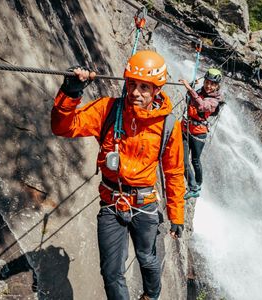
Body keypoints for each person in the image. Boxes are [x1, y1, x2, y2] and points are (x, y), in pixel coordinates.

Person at [51, 50, 185, 300]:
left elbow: (174, 172)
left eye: (145, 87)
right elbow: (63, 127)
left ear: (156, 90)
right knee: (111, 272)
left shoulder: (168, 125)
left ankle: (151, 295)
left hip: (145, 204)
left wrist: (177, 214)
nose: (136, 92)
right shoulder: (108, 110)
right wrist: (70, 93)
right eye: (132, 84)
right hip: (112, 203)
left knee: (147, 258)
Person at [179, 68, 223, 200]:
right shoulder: (200, 91)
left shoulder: (215, 101)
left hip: (198, 133)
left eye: (212, 84)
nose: (209, 86)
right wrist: (192, 86)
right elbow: (190, 98)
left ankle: (197, 185)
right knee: (183, 160)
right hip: (186, 129)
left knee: (195, 161)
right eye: (207, 82)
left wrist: (189, 88)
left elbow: (201, 106)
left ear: (217, 86)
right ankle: (193, 186)